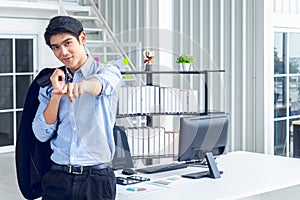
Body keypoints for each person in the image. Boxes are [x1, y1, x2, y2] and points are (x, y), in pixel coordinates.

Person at [32, 15, 121, 200]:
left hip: (96, 180)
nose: (63, 52)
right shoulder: (49, 83)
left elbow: (99, 86)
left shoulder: (107, 71)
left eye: (68, 43)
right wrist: (56, 94)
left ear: (82, 38)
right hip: (58, 177)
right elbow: (41, 133)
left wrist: (81, 86)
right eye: (56, 47)